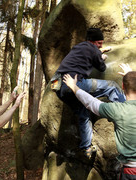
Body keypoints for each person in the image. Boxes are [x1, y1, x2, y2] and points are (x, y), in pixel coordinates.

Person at [55, 27, 125, 158]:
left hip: (60, 88)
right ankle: (123, 113)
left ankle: (86, 148)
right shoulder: (93, 50)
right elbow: (102, 68)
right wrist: (101, 56)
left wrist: (99, 51)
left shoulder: (78, 47)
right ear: (92, 41)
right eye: (99, 43)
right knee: (112, 86)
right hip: (76, 83)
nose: (101, 45)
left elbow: (87, 54)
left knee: (83, 113)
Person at [63, 63, 136, 179]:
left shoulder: (118, 111)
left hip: (130, 173)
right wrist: (130, 76)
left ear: (122, 86)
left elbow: (91, 103)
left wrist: (74, 87)